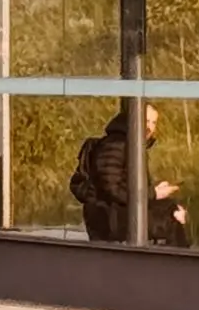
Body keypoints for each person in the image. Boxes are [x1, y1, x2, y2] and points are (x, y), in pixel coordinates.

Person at [68, 101, 191, 246]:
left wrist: (158, 195)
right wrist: (153, 193)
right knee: (171, 218)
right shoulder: (116, 144)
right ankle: (176, 259)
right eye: (146, 121)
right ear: (133, 119)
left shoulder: (129, 144)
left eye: (153, 122)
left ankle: (171, 256)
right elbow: (112, 190)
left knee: (174, 210)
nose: (150, 127)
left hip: (117, 213)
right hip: (109, 217)